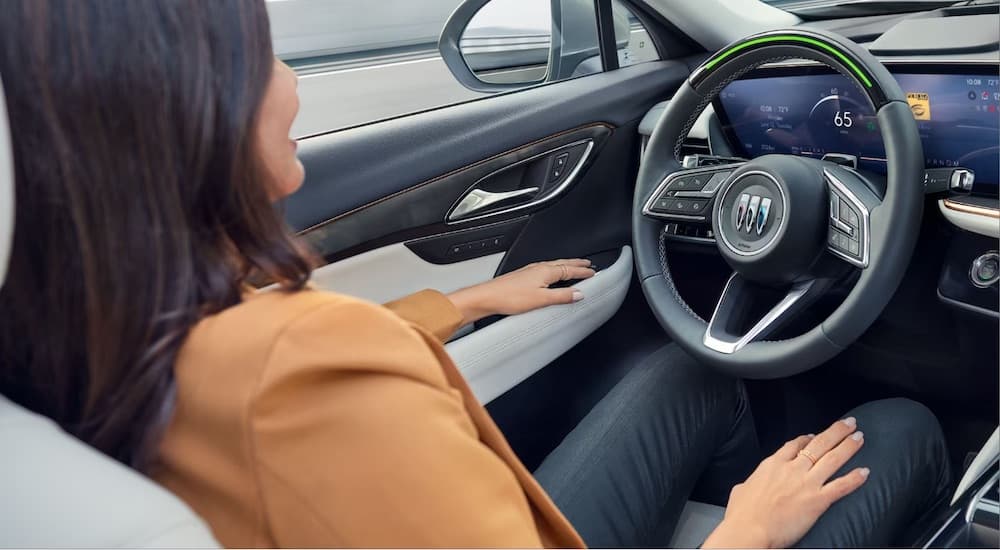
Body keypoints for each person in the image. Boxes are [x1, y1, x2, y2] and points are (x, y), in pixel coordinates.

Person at [0, 1, 951, 548]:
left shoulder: (92, 334)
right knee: (906, 428)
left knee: (692, 370)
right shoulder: (297, 366)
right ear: (179, 112)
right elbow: (295, 373)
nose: (288, 85)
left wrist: (462, 301)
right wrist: (744, 532)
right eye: (260, 60)